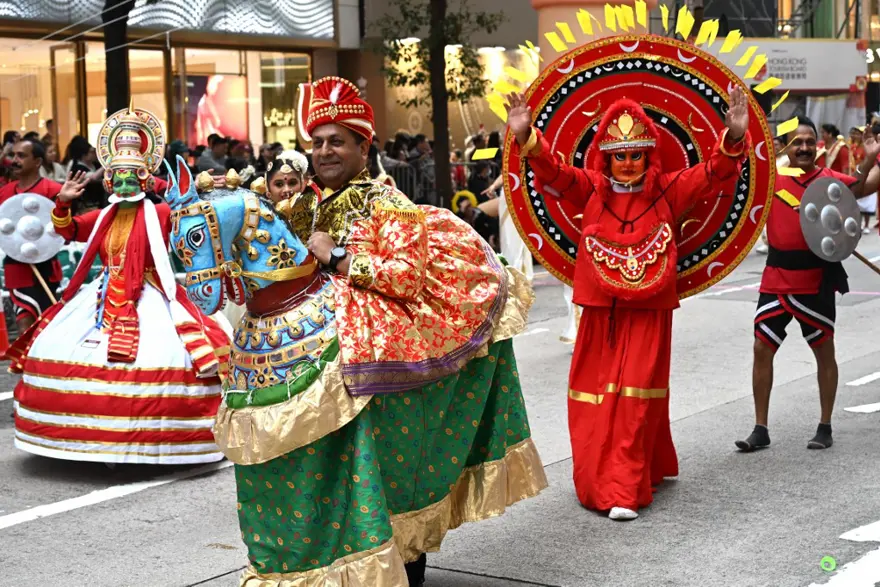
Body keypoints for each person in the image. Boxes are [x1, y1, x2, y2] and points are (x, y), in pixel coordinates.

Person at [229, 76, 545, 586]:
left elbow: (405, 277)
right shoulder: (298, 205)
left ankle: (403, 562)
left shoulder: (386, 202)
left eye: (337, 141)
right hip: (315, 351)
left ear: (363, 146)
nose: (325, 151)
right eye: (318, 142)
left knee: (390, 472)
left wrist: (335, 257)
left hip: (379, 354)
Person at [505, 87, 750, 520]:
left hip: (649, 313)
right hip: (600, 312)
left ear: (649, 156)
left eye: (637, 155)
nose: (629, 163)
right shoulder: (593, 190)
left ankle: (622, 488)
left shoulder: (668, 190)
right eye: (620, 156)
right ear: (606, 158)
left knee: (635, 397)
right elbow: (556, 173)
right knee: (594, 398)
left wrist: (732, 136)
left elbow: (713, 173)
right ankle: (609, 475)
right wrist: (528, 137)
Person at [6, 106, 229, 464]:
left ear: (143, 182)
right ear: (109, 183)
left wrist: (197, 191)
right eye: (118, 179)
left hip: (151, 292)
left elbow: (187, 216)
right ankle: (89, 434)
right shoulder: (104, 215)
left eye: (132, 179)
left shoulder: (159, 212)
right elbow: (70, 231)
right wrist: (62, 202)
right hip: (102, 295)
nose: (124, 185)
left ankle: (144, 437)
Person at [736, 118, 880, 453]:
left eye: (809, 142)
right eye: (796, 142)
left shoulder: (829, 180)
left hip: (816, 279)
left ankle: (824, 425)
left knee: (823, 350)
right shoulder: (770, 180)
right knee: (761, 349)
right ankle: (760, 428)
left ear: (817, 145)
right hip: (776, 277)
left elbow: (864, 187)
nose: (803, 147)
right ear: (786, 146)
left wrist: (872, 157)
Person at [0, 139, 63, 332]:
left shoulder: (54, 191)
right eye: (13, 155)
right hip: (16, 264)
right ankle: (24, 363)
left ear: (37, 162)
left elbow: (64, 229)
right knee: (24, 322)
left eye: (22, 156)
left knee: (48, 325)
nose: (15, 161)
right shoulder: (4, 193)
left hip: (46, 265)